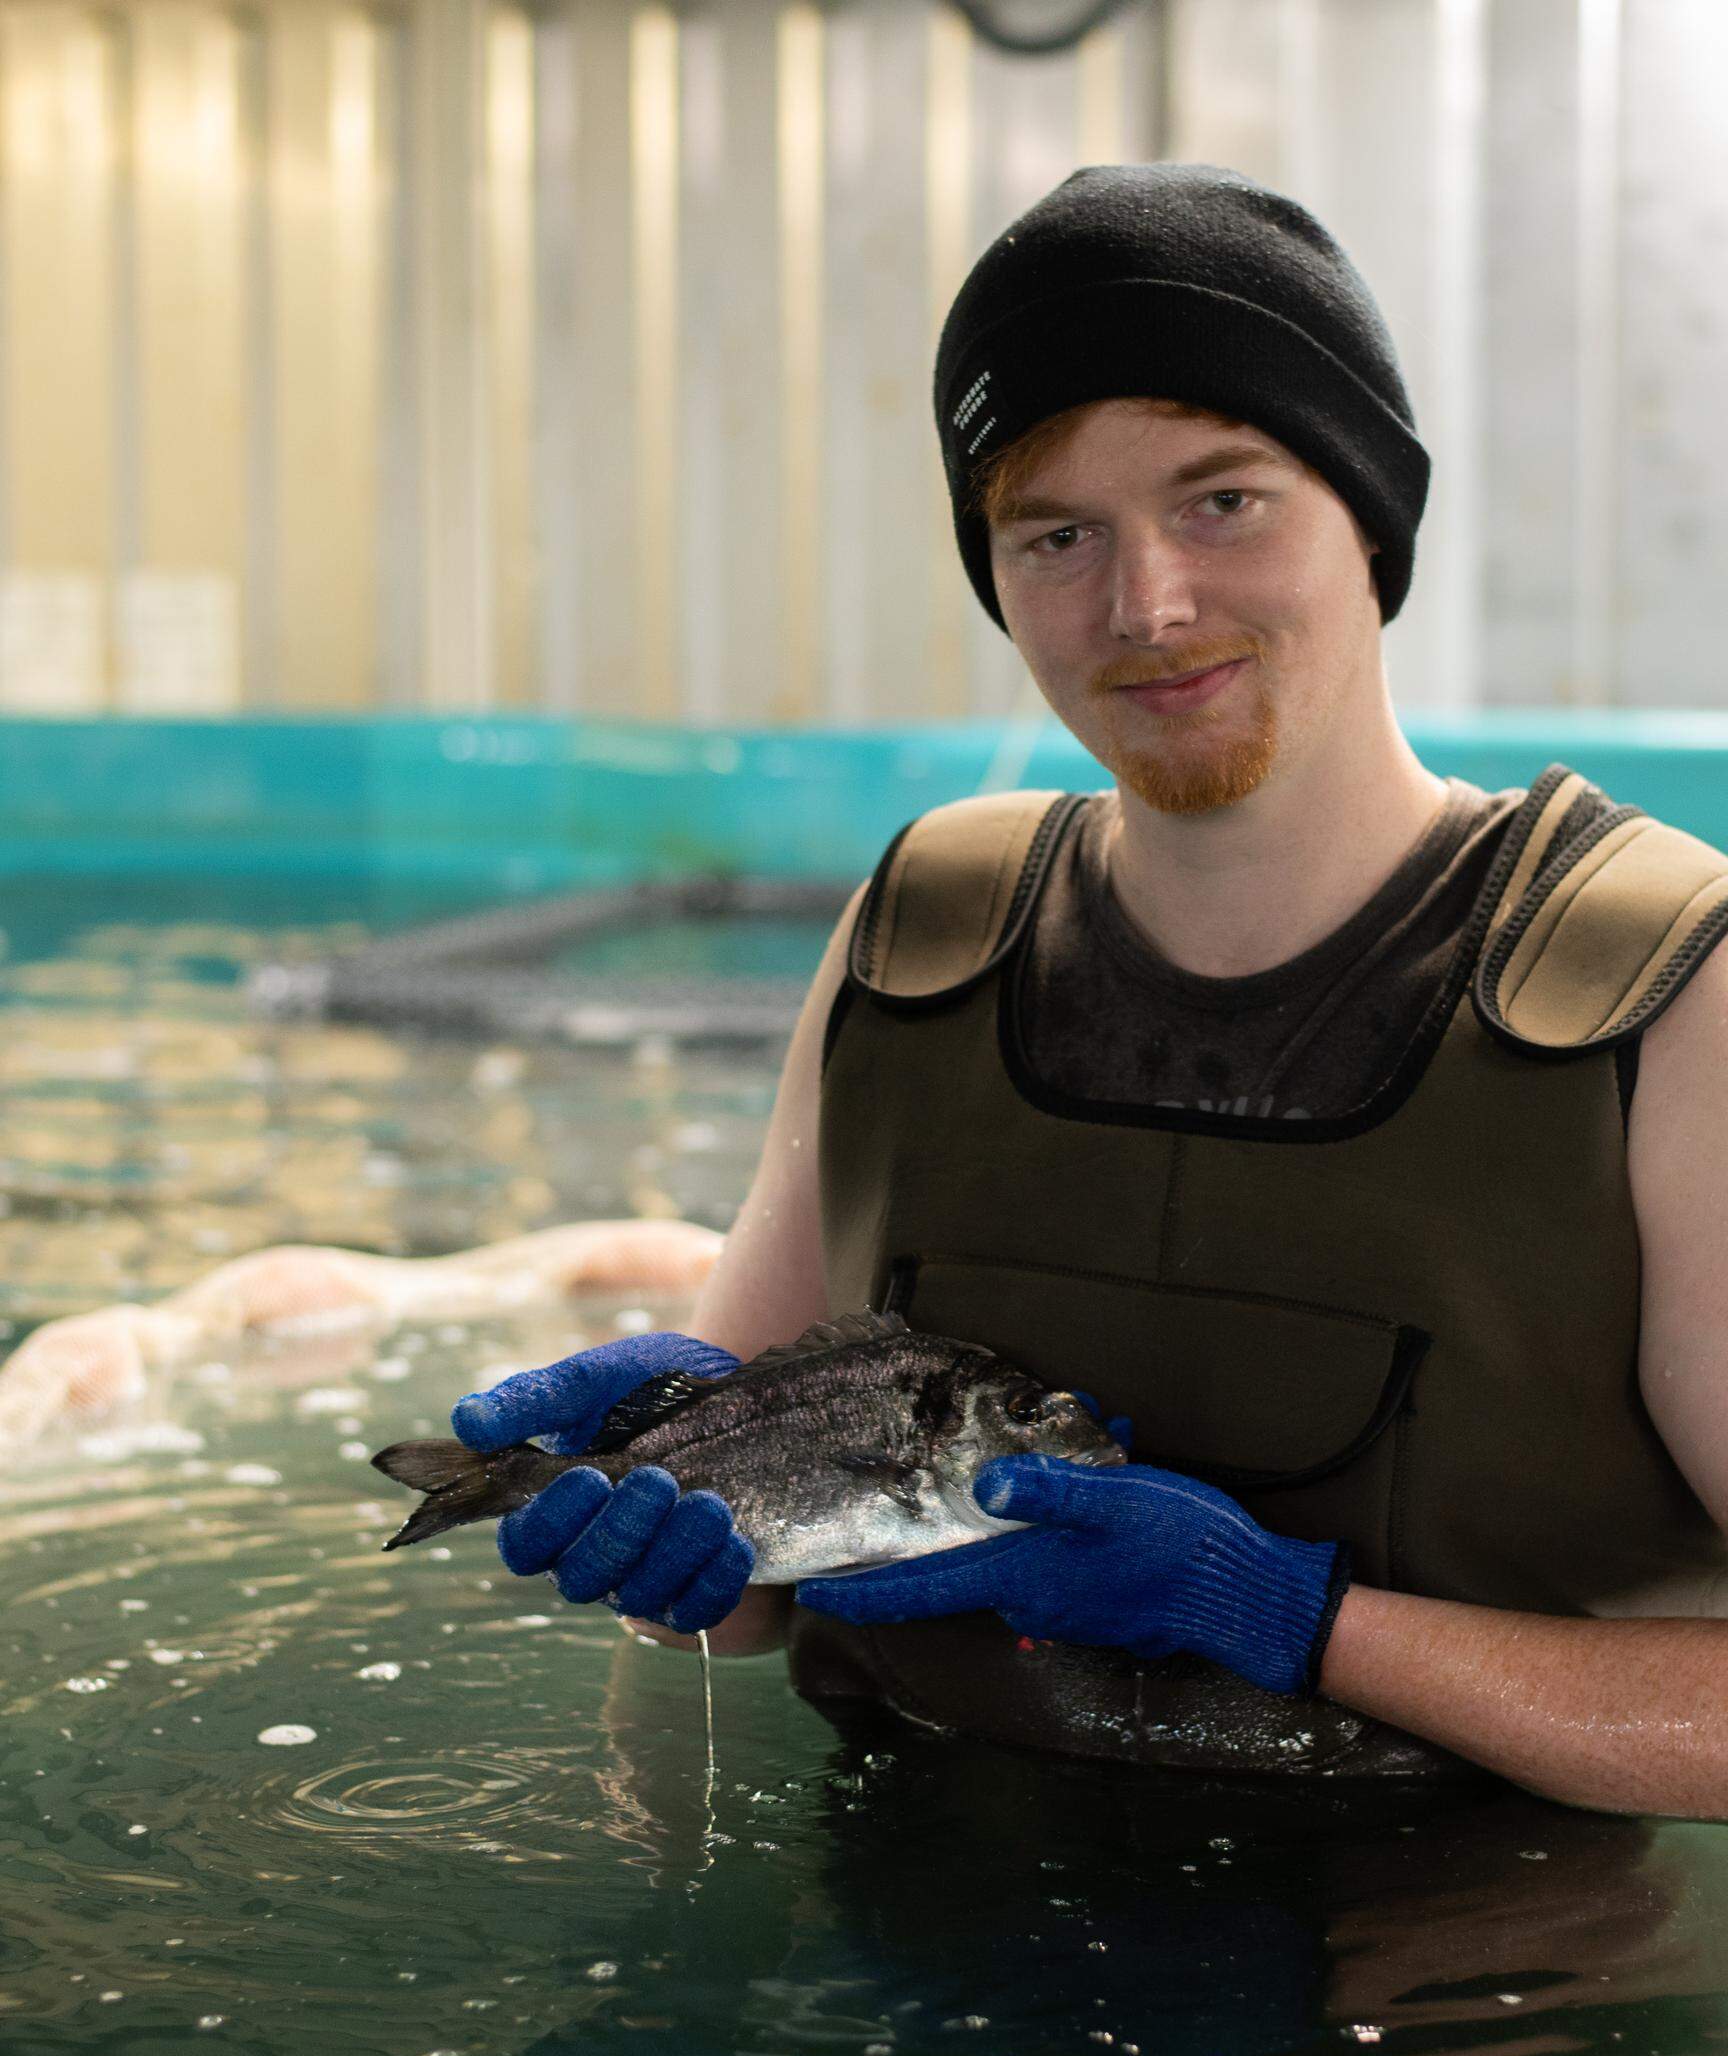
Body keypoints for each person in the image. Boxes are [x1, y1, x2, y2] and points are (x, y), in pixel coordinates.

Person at [456, 162, 1728, 1821]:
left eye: (1225, 500)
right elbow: (753, 1601)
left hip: (1458, 1998)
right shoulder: (923, 936)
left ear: (1369, 510)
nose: (1148, 606)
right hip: (909, 1980)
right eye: (1058, 534)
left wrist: (1294, 1618)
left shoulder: (1657, 996)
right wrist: (671, 1533)